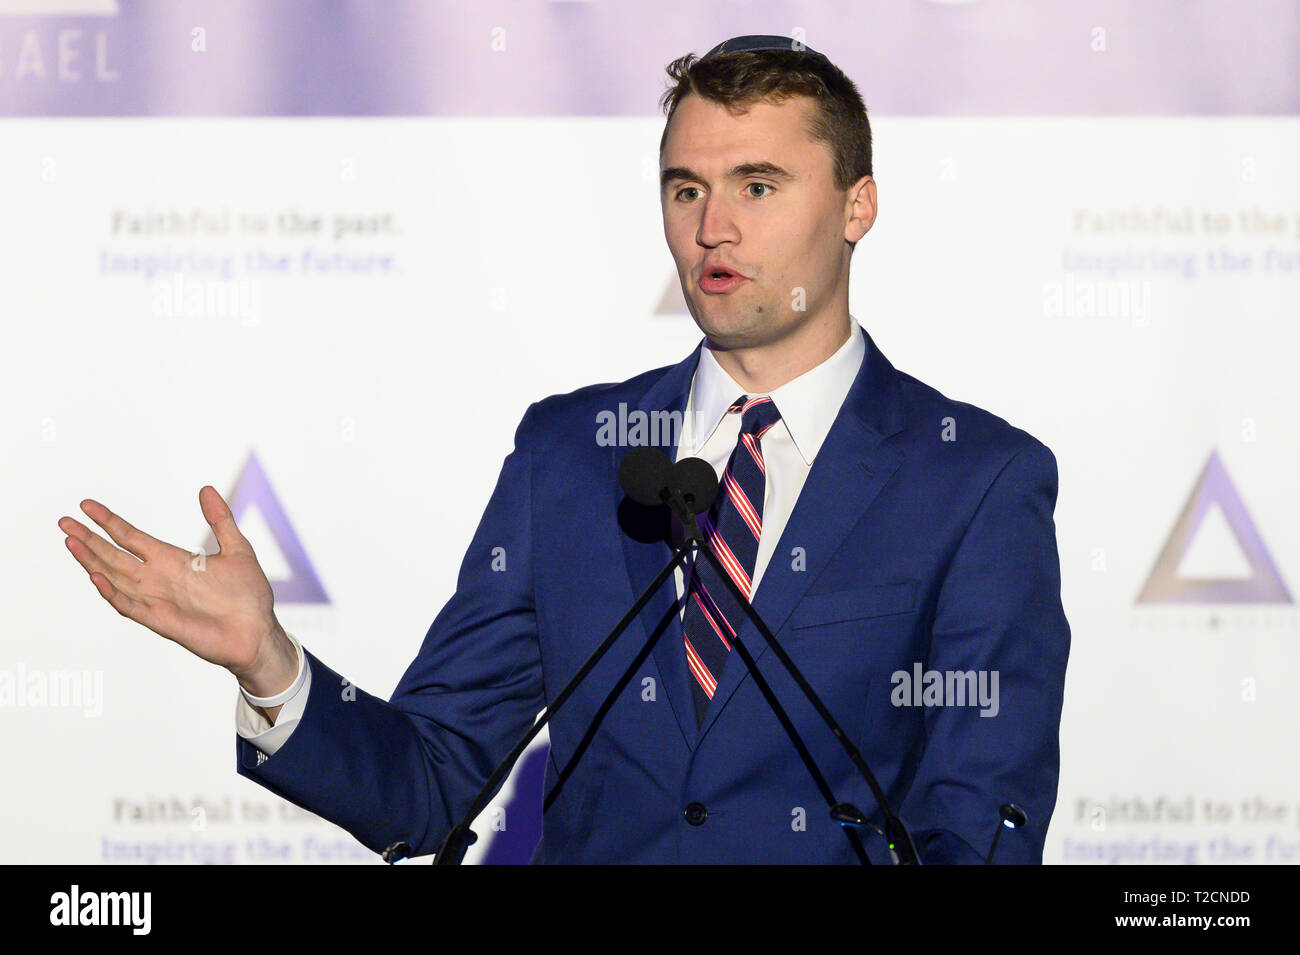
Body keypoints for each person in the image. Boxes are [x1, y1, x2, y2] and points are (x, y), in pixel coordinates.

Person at [57, 36, 1070, 864]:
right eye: (685, 189)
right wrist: (269, 663)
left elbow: (977, 830)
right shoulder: (570, 454)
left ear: (858, 207)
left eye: (757, 186)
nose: (712, 228)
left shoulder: (974, 481)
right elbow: (429, 779)